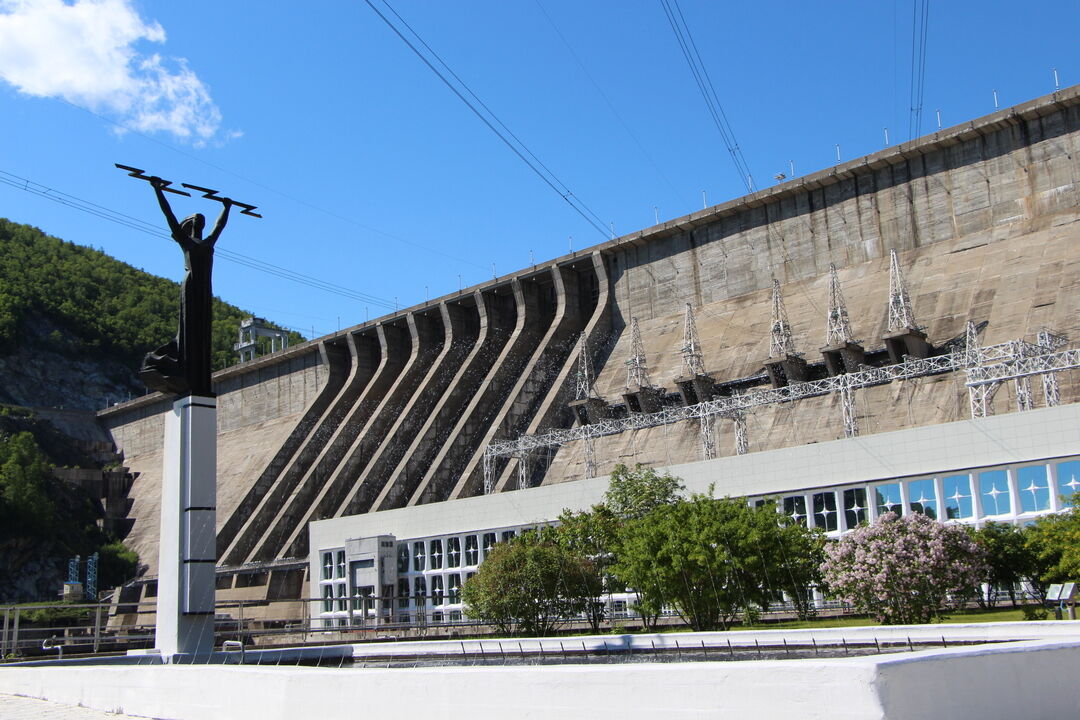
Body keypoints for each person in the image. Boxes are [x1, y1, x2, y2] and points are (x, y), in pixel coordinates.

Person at [139, 177, 231, 397]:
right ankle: (183, 370)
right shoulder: (185, 242)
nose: (200, 225)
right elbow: (169, 216)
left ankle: (197, 379)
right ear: (190, 225)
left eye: (202, 223)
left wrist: (226, 208)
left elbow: (220, 226)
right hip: (190, 288)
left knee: (202, 333)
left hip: (204, 290)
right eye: (196, 223)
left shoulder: (208, 243)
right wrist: (158, 192)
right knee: (190, 331)